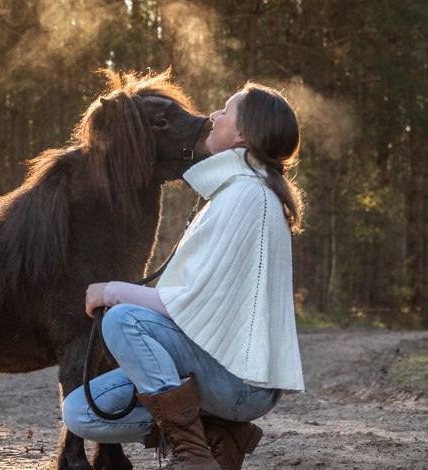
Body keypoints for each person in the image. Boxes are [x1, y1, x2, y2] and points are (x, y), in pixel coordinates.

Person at [64, 82, 306, 470]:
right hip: (219, 372)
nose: (214, 116)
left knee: (125, 319)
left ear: (242, 134)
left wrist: (111, 290)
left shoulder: (246, 197)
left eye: (226, 112)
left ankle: (192, 455)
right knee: (82, 412)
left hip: (239, 384)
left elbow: (183, 307)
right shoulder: (237, 191)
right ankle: (216, 435)